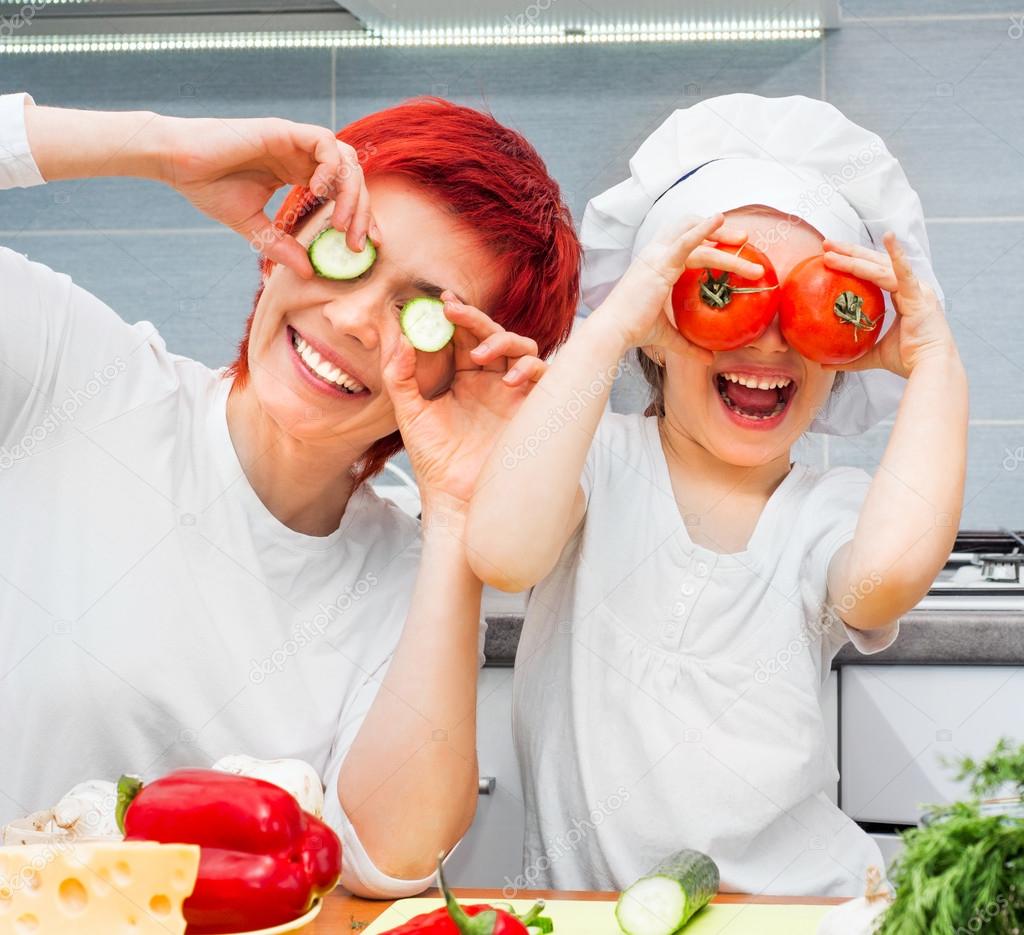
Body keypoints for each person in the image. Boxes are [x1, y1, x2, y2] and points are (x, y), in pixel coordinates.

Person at [0, 90, 579, 896]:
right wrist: (158, 144)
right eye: (349, 250)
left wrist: (454, 510)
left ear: (466, 369)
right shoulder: (77, 376)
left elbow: (391, 859)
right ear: (282, 238)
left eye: (419, 312)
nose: (350, 317)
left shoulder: (412, 574)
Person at [466, 94, 967, 897]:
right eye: (724, 293)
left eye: (806, 307)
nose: (766, 339)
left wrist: (936, 360)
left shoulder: (825, 510)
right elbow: (501, 548)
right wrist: (613, 324)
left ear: (847, 352)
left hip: (799, 909)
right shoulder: (594, 460)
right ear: (657, 326)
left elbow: (884, 583)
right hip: (588, 908)